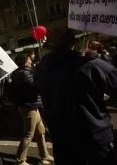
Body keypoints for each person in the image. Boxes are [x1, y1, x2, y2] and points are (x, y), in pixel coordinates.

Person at [34, 27, 117, 165]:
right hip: (93, 139)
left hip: (61, 140)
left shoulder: (39, 70)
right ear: (72, 43)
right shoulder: (89, 65)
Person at [11, 52, 53, 165]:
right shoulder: (24, 73)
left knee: (41, 131)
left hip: (32, 105)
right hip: (28, 107)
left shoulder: (21, 72)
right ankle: (20, 160)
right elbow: (36, 85)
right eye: (30, 58)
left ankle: (44, 155)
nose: (31, 60)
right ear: (26, 60)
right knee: (29, 134)